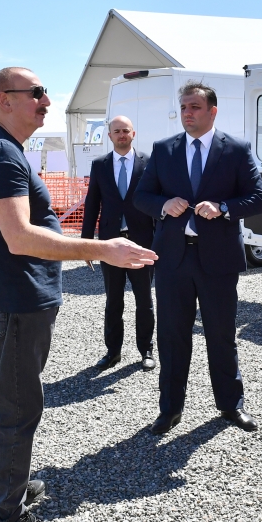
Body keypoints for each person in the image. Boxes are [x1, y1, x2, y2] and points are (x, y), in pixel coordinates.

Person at [0, 67, 156, 522]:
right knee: (17, 408)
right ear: (4, 99)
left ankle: (9, 481)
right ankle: (8, 520)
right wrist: (104, 248)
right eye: (36, 93)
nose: (47, 101)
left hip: (19, 300)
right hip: (15, 302)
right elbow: (20, 237)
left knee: (14, 400)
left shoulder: (3, 148)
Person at [133, 80, 262, 436]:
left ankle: (231, 405)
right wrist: (164, 204)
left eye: (194, 107)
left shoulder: (235, 149)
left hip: (217, 260)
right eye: (183, 107)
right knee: (171, 337)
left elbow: (259, 198)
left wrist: (223, 207)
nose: (187, 113)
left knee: (221, 335)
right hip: (173, 260)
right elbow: (142, 197)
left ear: (212, 111)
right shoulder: (164, 149)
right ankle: (170, 410)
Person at [81, 115, 156, 371]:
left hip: (141, 242)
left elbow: (156, 201)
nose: (121, 135)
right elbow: (92, 204)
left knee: (144, 300)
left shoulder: (148, 162)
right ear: (110, 135)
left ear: (133, 134)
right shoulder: (100, 165)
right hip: (110, 243)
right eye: (117, 131)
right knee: (113, 301)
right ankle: (113, 352)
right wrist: (86, 244)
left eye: (126, 130)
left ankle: (146, 350)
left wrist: (161, 241)